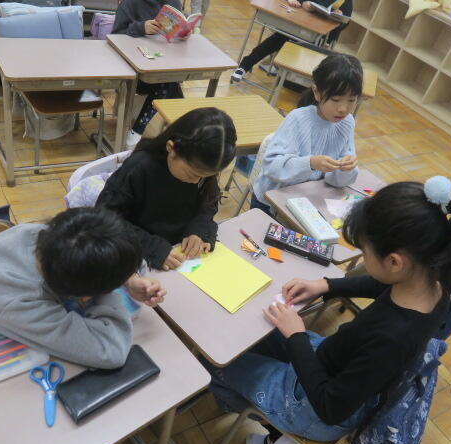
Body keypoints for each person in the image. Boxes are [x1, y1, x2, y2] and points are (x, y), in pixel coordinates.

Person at [202, 177, 451, 444]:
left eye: (365, 252)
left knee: (212, 361)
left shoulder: (392, 338)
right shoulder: (432, 286)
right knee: (258, 331)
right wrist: (327, 285)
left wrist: (297, 336)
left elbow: (330, 407)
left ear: (394, 262)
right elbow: (382, 285)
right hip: (332, 363)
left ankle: (266, 422)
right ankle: (270, 412)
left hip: (312, 408)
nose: (364, 258)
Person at [0, 207, 166, 369]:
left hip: (2, 315)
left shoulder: (54, 236)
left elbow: (124, 254)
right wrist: (111, 289)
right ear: (84, 293)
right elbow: (110, 351)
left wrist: (129, 278)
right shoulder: (19, 298)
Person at [96, 107, 237, 271]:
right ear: (171, 147)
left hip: (177, 252)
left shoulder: (200, 169)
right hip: (137, 252)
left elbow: (208, 203)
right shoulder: (139, 168)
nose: (196, 182)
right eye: (191, 174)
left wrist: (199, 230)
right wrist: (152, 248)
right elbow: (105, 219)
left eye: (204, 176)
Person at [251, 53, 362, 216]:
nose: (343, 109)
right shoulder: (297, 119)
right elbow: (272, 166)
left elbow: (336, 180)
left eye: (351, 100)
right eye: (336, 99)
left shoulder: (347, 122)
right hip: (271, 202)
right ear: (317, 92)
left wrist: (347, 168)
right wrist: (310, 163)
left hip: (305, 201)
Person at [112, 0, 187, 149]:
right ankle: (180, 134)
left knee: (169, 80)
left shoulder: (173, 3)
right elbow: (115, 35)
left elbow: (175, 34)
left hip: (165, 65)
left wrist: (183, 33)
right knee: (169, 84)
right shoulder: (130, 3)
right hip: (136, 70)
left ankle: (140, 132)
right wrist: (141, 27)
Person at [231, 0, 353, 83]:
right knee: (280, 37)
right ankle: (245, 65)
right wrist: (303, 3)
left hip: (319, 37)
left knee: (295, 45)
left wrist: (339, 17)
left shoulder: (345, 2)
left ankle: (286, 80)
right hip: (299, 24)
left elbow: (345, 23)